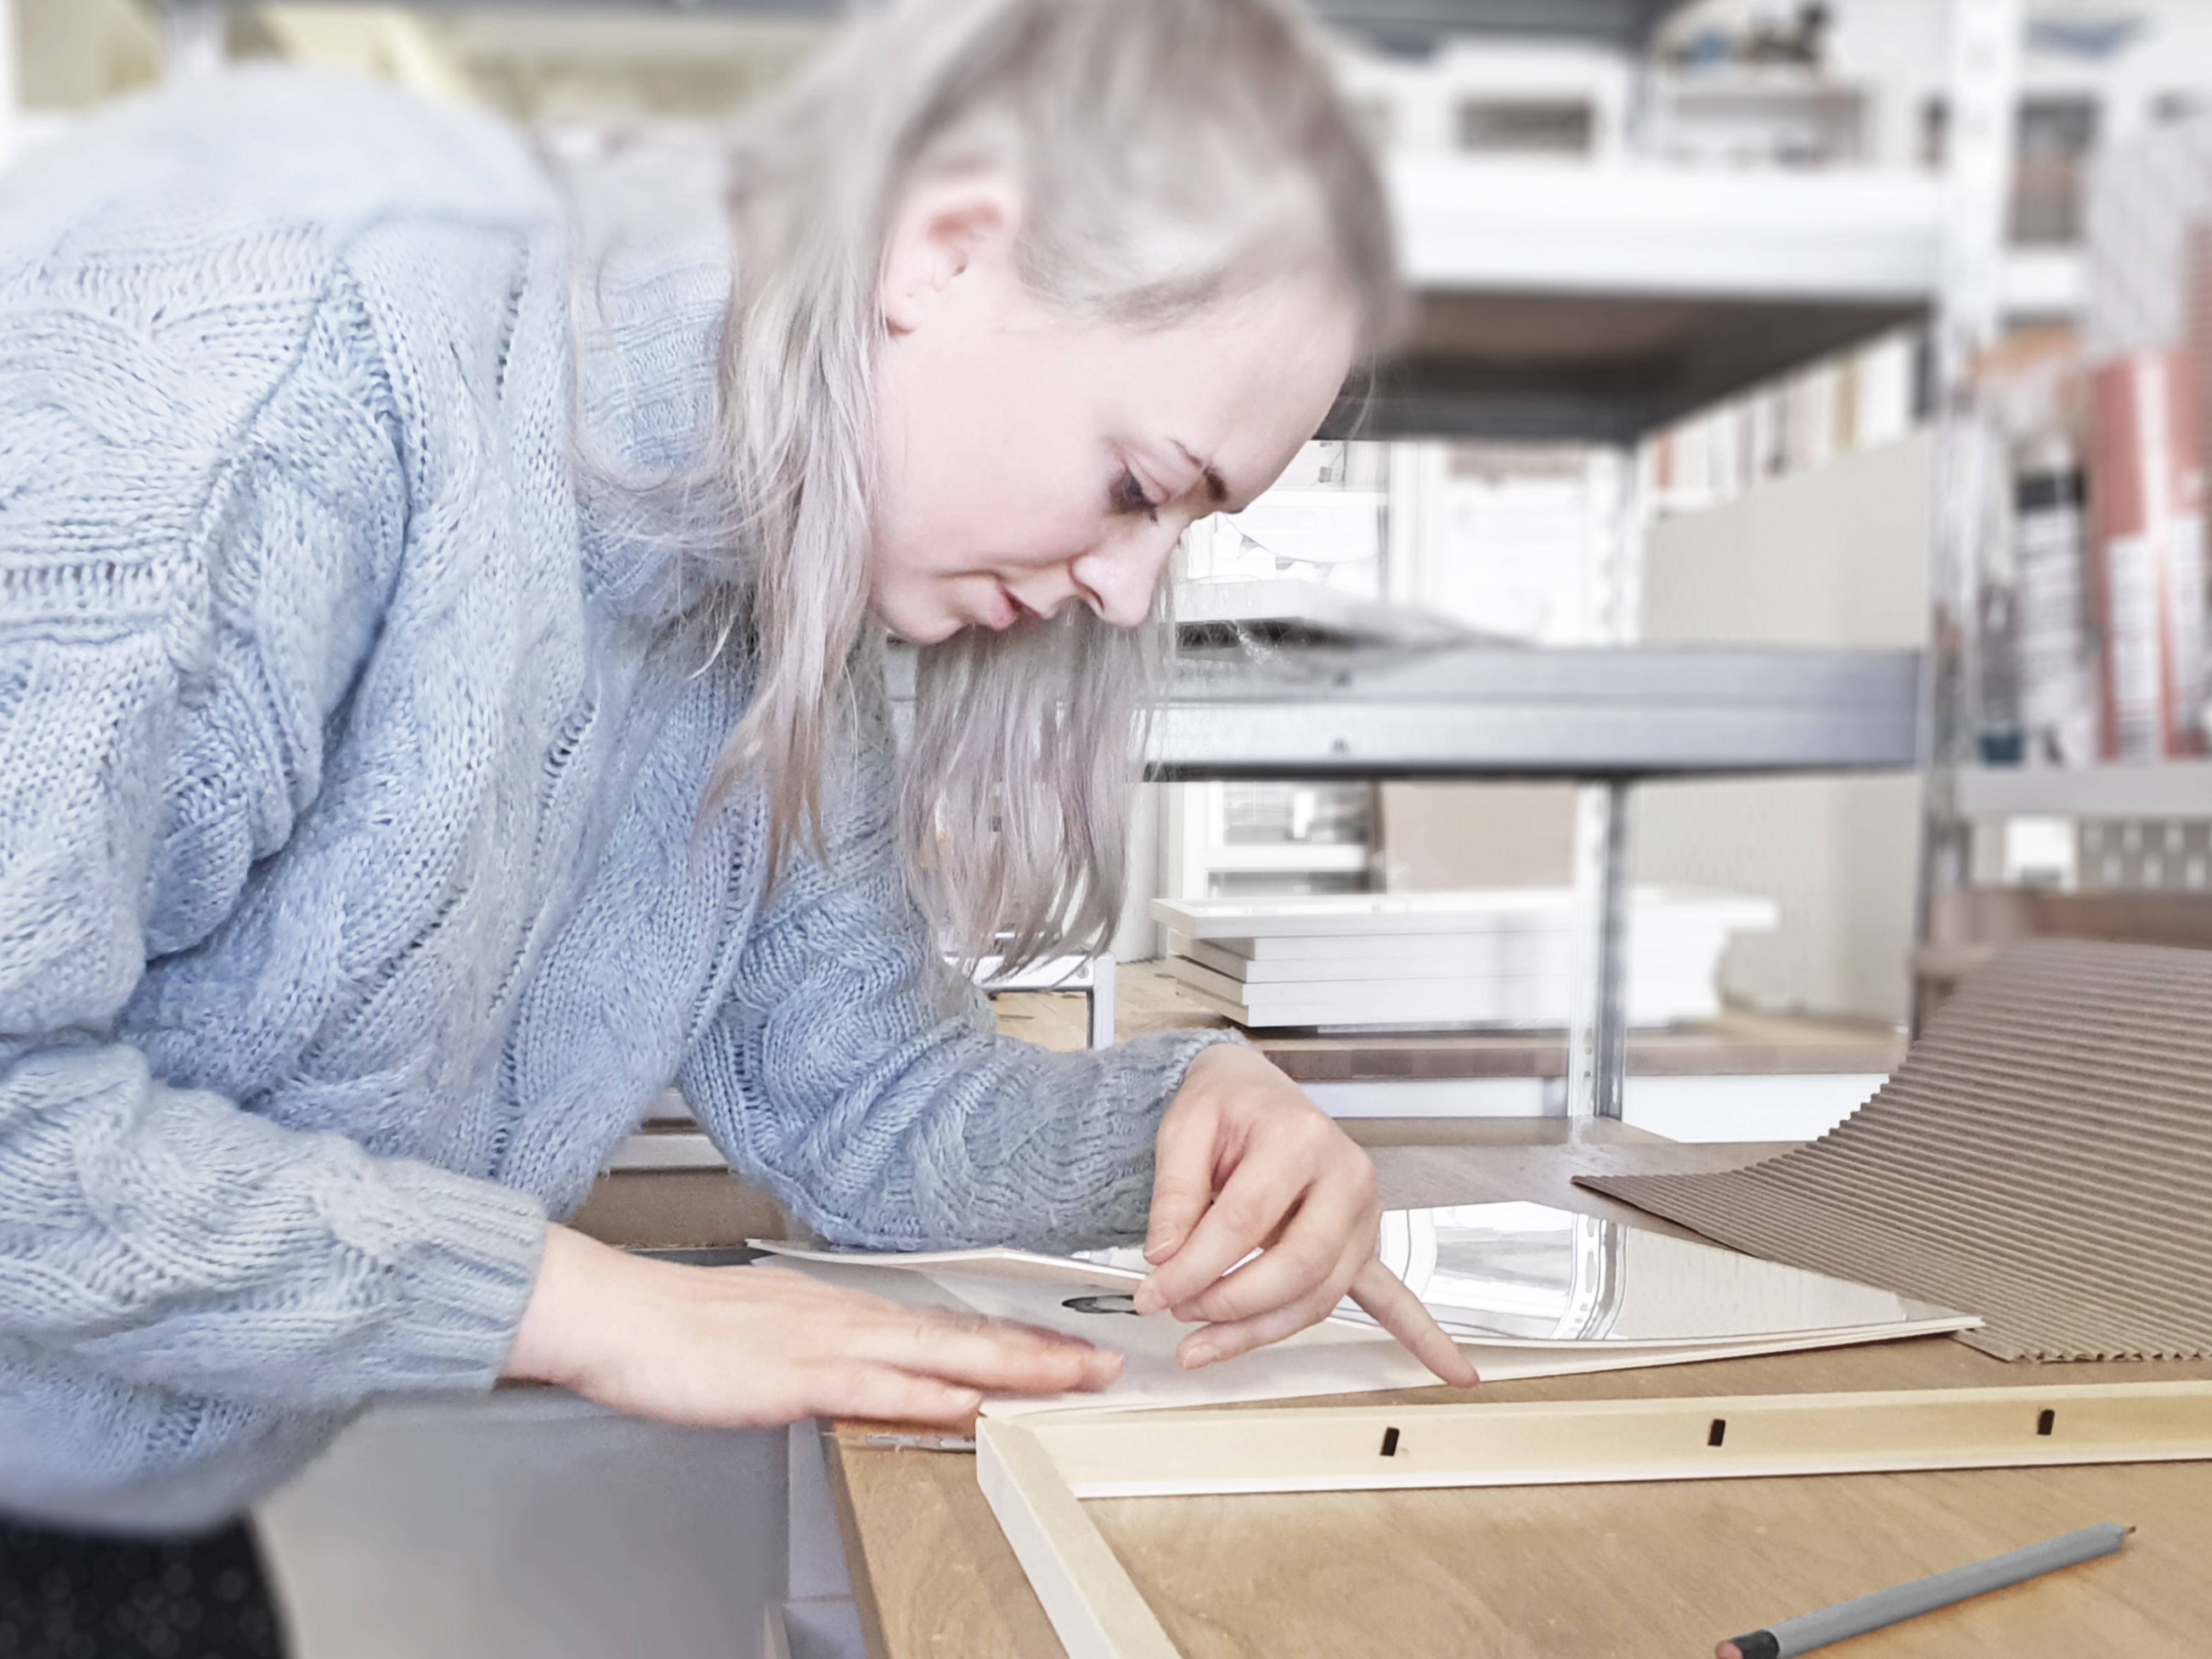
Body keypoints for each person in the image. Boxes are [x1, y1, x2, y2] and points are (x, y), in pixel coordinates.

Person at [0, 0, 1474, 1575]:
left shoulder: (761, 592)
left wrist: (1189, 1118)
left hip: (120, 1491)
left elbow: (870, 1099)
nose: (1128, 592)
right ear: (942, 250)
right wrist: (577, 1306)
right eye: (1137, 485)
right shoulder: (285, 385)